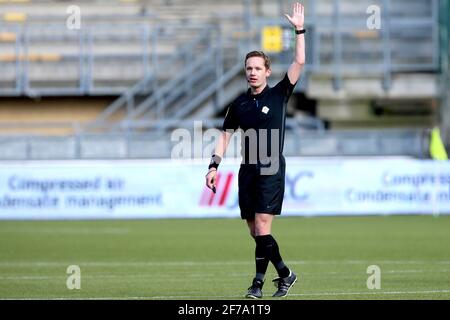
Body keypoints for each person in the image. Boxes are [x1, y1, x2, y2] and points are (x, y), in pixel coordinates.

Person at [205, 2, 305, 299]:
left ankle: (258, 285)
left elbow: (299, 62)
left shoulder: (279, 94)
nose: (252, 72)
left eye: (257, 68)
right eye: (248, 68)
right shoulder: (239, 104)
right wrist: (213, 166)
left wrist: (299, 29)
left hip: (271, 167)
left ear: (267, 71)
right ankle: (285, 274)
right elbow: (225, 135)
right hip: (247, 169)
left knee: (262, 225)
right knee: (255, 231)